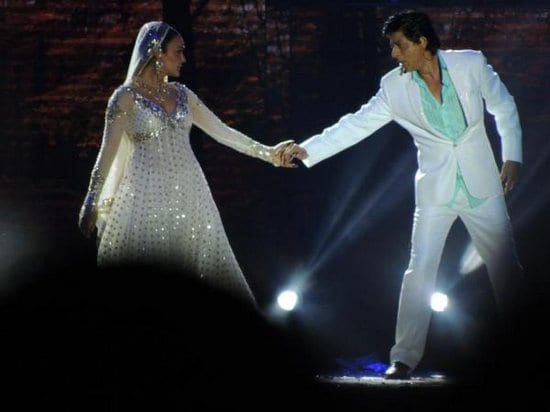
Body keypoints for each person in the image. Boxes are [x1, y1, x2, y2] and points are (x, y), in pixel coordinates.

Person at [282, 10, 524, 379]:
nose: (394, 54)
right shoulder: (394, 87)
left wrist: (513, 157)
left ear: (422, 42)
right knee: (418, 270)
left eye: (399, 45)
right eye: (392, 47)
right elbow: (356, 124)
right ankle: (405, 357)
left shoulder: (470, 64)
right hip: (435, 191)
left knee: (505, 266)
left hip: (482, 185)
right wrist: (308, 149)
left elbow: (503, 105)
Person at [78, 21, 296, 305]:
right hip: (144, 200)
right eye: (178, 52)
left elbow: (222, 132)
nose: (184, 58)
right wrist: (91, 200)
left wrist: (268, 153)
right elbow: (106, 154)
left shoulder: (183, 95)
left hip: (190, 197)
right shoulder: (125, 99)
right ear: (157, 52)